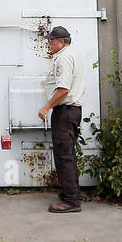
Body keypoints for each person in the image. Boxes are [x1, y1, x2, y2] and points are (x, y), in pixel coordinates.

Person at [38, 25, 85, 213]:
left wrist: (47, 107)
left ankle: (71, 202)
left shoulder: (63, 58)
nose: (49, 44)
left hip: (65, 112)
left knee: (64, 156)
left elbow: (63, 89)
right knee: (67, 154)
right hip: (71, 111)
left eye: (52, 41)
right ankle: (70, 195)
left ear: (62, 42)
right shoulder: (72, 54)